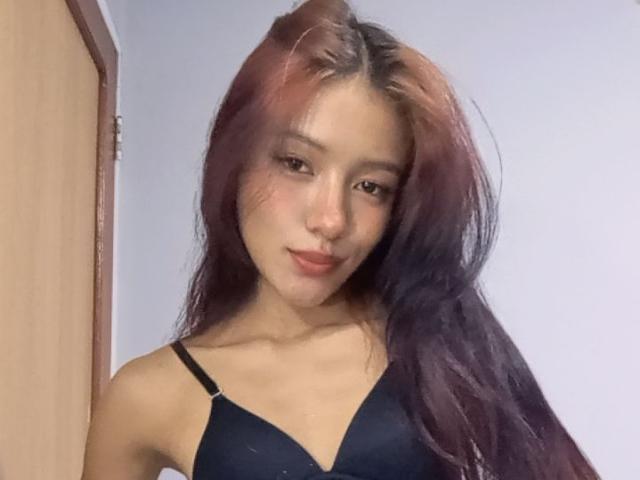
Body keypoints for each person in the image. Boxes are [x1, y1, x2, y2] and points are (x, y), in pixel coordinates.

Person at [81, 1, 601, 479]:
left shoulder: (435, 340)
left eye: (371, 186)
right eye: (296, 163)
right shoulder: (147, 396)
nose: (331, 220)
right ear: (234, 160)